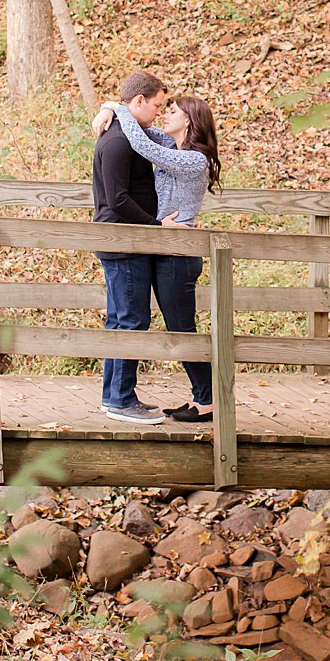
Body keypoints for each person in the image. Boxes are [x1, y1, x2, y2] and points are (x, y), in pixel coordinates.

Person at [93, 91, 221, 423]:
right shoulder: (171, 143)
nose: (165, 114)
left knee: (181, 328)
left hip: (179, 253)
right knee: (174, 327)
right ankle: (201, 397)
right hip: (162, 248)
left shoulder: (195, 160)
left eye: (173, 111)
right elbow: (137, 128)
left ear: (189, 120)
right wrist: (110, 108)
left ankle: (208, 399)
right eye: (163, 107)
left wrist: (118, 107)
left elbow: (143, 145)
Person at [91, 68, 188, 424]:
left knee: (122, 320)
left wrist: (109, 107)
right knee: (130, 321)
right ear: (139, 101)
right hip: (124, 241)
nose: (159, 114)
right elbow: (117, 199)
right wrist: (156, 224)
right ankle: (120, 399)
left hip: (126, 240)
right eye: (157, 107)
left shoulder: (128, 134)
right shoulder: (118, 142)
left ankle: (115, 395)